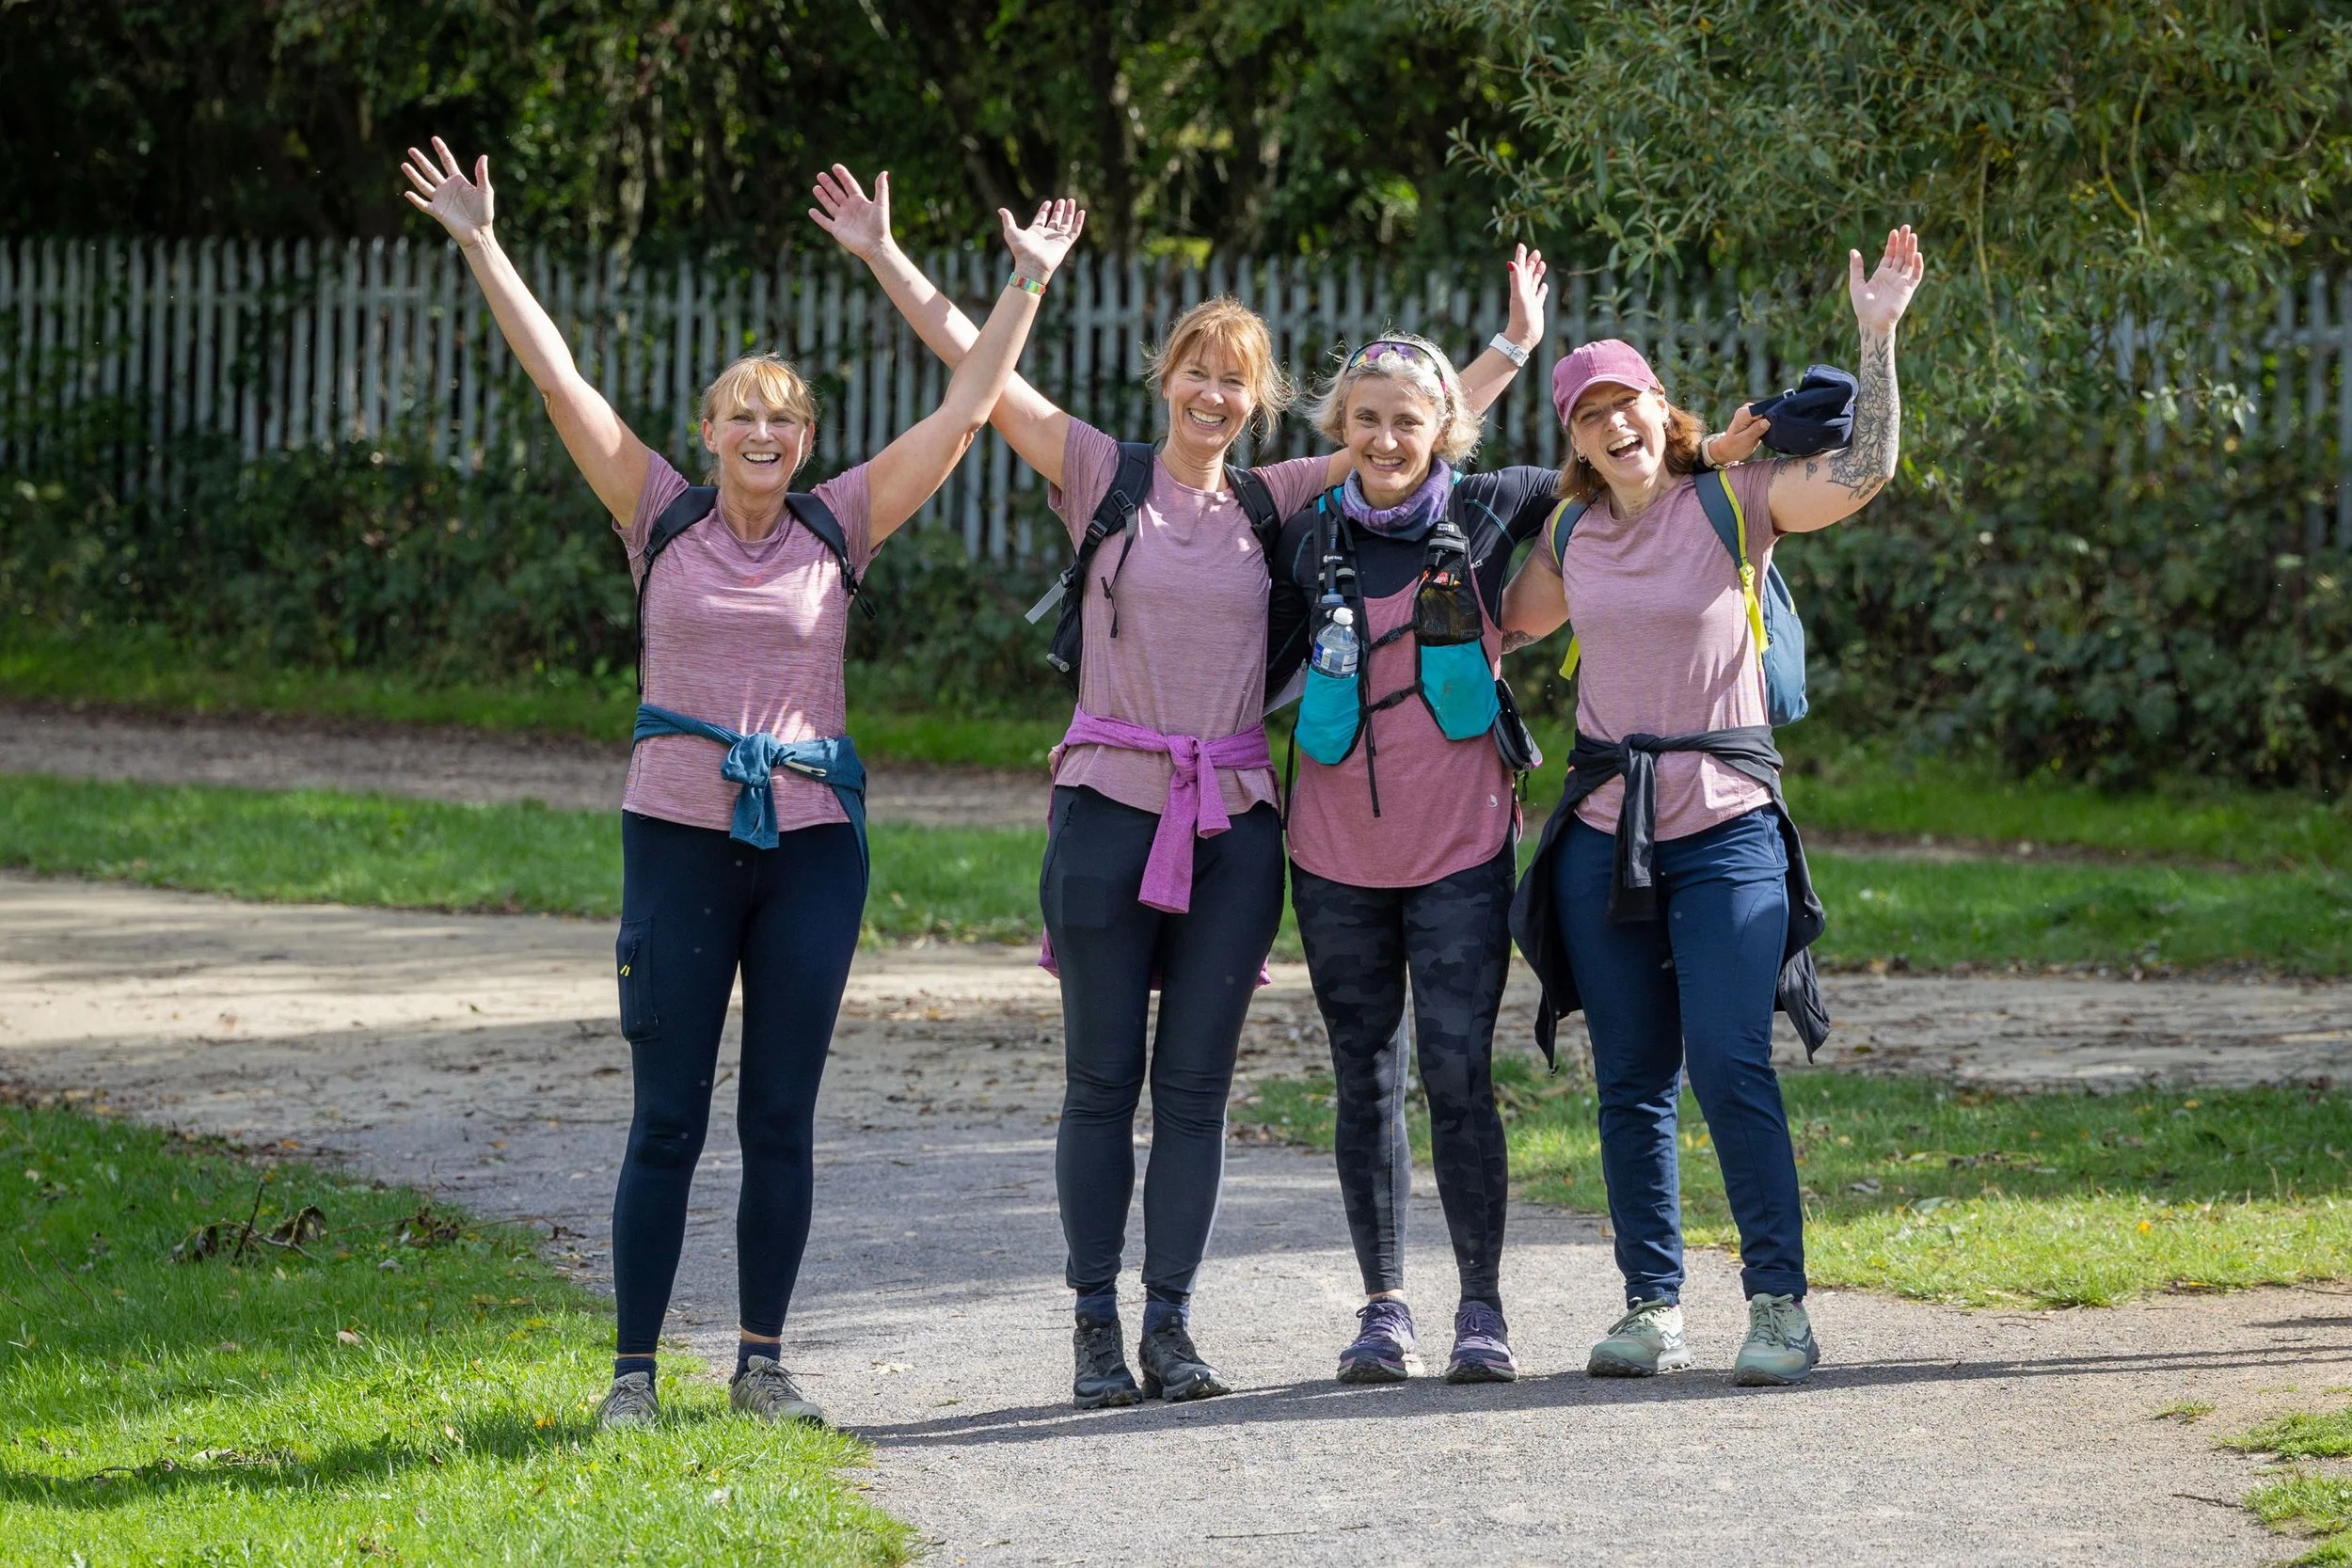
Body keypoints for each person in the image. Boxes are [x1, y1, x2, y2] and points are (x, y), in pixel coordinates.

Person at [810, 166, 1543, 1406]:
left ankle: (1171, 1325)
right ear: (1168, 381)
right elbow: (978, 380)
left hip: (1235, 825)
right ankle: (1094, 1326)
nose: (1213, 394)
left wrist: (1514, 346)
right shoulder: (1101, 472)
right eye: (1197, 372)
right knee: (1102, 1082)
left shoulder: (1275, 495)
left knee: (1195, 1091)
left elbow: (1411, 425)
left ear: (1258, 403)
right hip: (1107, 808)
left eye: (1235, 381)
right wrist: (907, 258)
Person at [401, 137, 1085, 1429]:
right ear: (708, 433)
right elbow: (557, 377)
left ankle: (762, 1362)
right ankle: (632, 1376)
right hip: (675, 836)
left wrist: (1025, 282)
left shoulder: (842, 520)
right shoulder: (655, 513)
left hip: (815, 844)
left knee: (779, 1114)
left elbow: (966, 412)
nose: (763, 431)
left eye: (785, 418)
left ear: (805, 441)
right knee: (666, 1118)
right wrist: (482, 241)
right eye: (742, 414)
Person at [1500, 227, 1926, 1387]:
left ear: (1661, 407)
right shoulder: (1571, 532)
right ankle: (1651, 1305)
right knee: (1629, 1077)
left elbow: (1864, 471)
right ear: (1573, 440)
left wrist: (1877, 340)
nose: (1611, 424)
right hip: (1603, 828)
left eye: (1625, 402)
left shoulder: (1735, 500)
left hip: (1727, 823)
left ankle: (1778, 1307)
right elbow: (1501, 628)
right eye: (1587, 415)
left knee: (1731, 1061)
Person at [1262, 320, 1566, 1385]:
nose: (1386, 439)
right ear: (1338, 428)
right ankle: (1383, 1307)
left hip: (1460, 849)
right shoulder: (1299, 533)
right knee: (1365, 1077)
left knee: (1456, 1070)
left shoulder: (1491, 507)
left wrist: (1718, 452)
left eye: (1407, 419)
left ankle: (1481, 1308)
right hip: (1331, 850)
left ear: (1446, 428)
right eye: (1366, 419)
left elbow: (1622, 473)